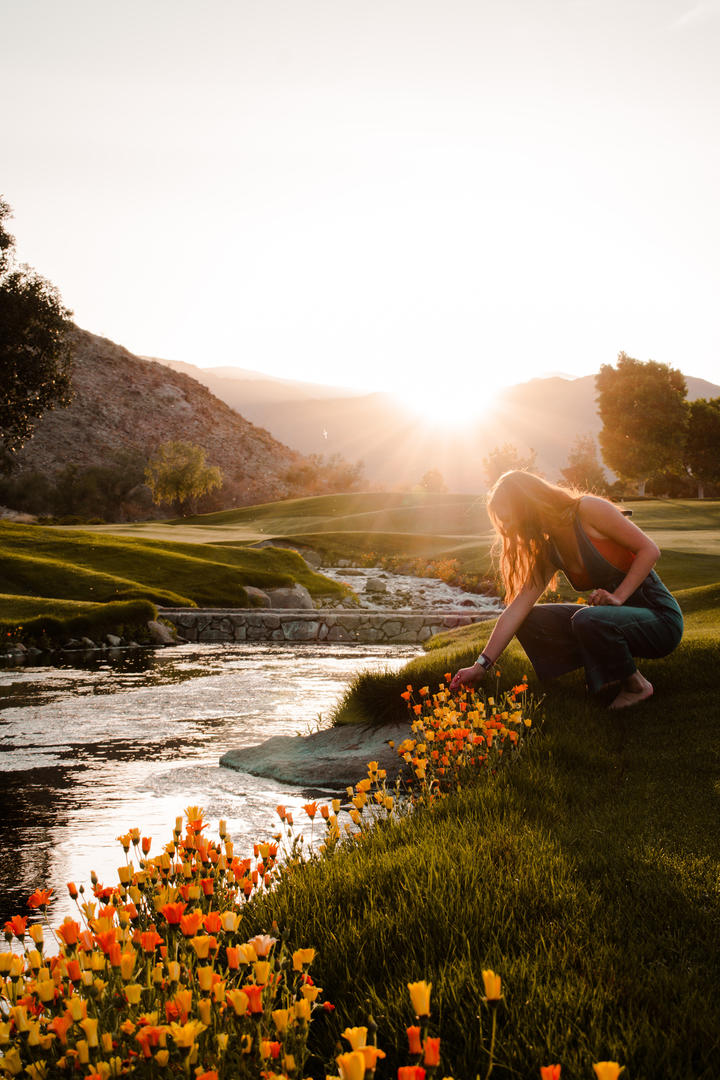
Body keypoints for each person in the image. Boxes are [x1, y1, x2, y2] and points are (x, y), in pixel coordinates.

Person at [450, 471, 683, 709]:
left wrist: (618, 597)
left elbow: (650, 550)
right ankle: (604, 674)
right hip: (612, 620)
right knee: (529, 619)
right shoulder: (550, 548)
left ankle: (637, 685)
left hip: (659, 619)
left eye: (509, 519)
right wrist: (480, 666)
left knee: (586, 619)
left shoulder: (588, 510)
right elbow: (516, 610)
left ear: (526, 507)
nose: (508, 530)